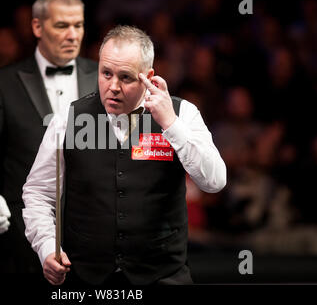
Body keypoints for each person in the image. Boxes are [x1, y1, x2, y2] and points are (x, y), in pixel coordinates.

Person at [22, 25, 226, 285]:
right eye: (106, 73)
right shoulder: (67, 119)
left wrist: (171, 125)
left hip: (163, 276)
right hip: (86, 277)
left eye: (126, 77)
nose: (113, 86)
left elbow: (214, 181)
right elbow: (38, 193)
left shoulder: (182, 114)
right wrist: (47, 247)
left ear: (148, 76)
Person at [0, 0, 98, 278]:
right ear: (37, 26)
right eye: (62, 25)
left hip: (94, 240)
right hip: (23, 240)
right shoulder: (2, 84)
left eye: (78, 25)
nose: (73, 35)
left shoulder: (104, 79)